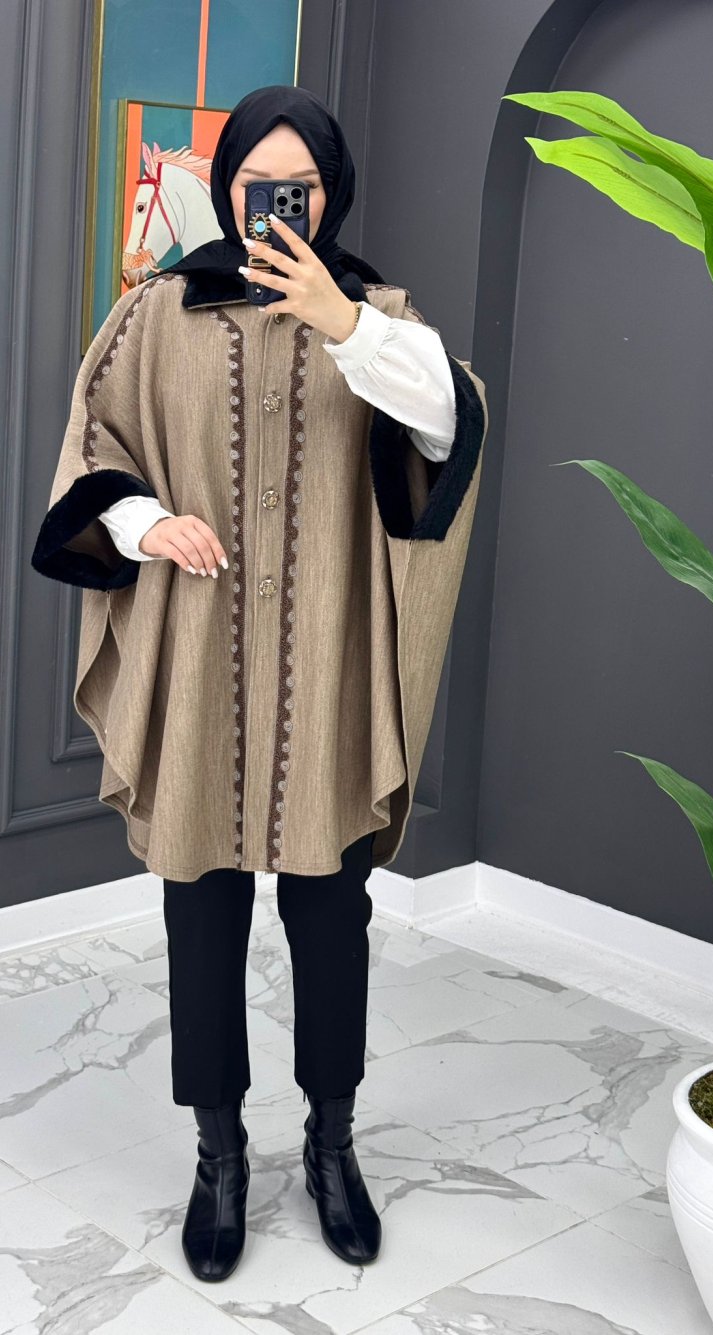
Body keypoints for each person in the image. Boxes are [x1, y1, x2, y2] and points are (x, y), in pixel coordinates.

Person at [30, 84, 488, 1283]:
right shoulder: (156, 313)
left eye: (302, 187)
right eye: (254, 183)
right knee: (202, 907)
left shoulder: (381, 319)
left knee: (332, 911)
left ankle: (333, 1147)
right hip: (199, 658)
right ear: (227, 184)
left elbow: (447, 429)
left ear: (332, 195)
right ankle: (218, 1156)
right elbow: (95, 444)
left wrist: (345, 324)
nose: (276, 204)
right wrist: (144, 522)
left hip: (330, 661)